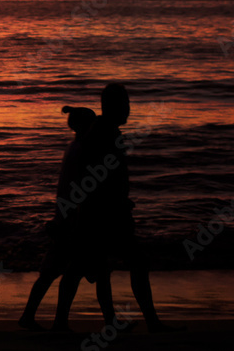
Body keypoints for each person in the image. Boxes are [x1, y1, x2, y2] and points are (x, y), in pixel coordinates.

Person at [51, 83, 180, 333]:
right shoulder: (105, 134)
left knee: (86, 267)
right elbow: (98, 177)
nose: (128, 110)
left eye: (128, 104)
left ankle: (71, 322)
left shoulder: (102, 131)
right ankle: (149, 322)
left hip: (97, 212)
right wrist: (117, 205)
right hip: (103, 214)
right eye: (125, 105)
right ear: (112, 107)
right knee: (128, 262)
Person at [19, 106, 118, 331]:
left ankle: (38, 317)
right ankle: (91, 322)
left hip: (65, 217)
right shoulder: (84, 151)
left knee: (54, 271)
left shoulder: (74, 148)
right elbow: (85, 188)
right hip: (75, 220)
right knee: (91, 271)